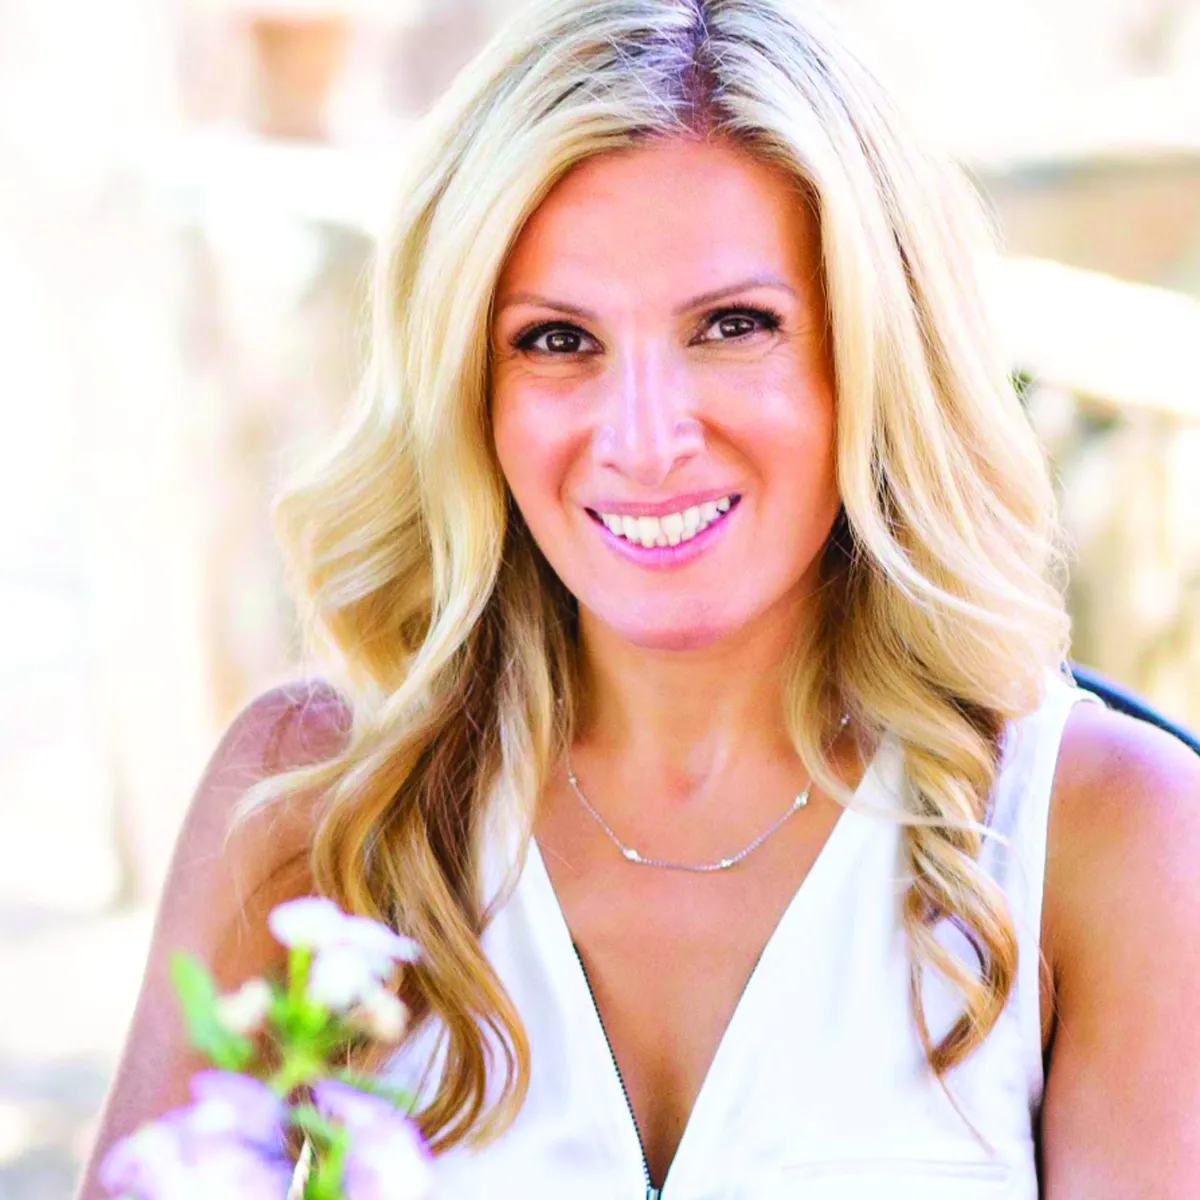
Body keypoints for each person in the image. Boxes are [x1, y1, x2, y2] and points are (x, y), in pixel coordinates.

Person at [77, 1, 1200, 1196]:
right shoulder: (314, 807)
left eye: (734, 326)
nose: (646, 439)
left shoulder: (1103, 834)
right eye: (557, 340)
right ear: (467, 382)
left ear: (876, 352)